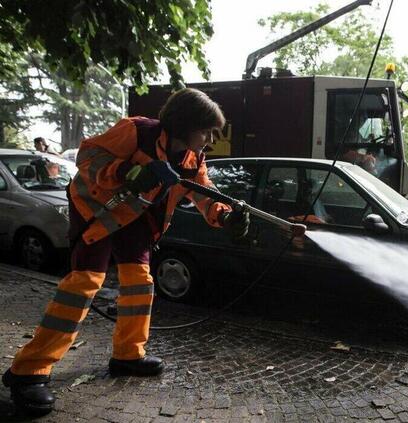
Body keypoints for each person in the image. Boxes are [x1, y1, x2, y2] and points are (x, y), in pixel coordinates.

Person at [2, 88, 250, 416]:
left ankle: (128, 354)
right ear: (184, 125)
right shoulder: (136, 131)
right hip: (97, 213)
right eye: (206, 131)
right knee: (84, 284)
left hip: (137, 219)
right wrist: (127, 173)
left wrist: (226, 216)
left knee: (139, 283)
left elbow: (204, 194)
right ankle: (28, 371)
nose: (210, 139)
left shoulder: (192, 160)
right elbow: (87, 157)